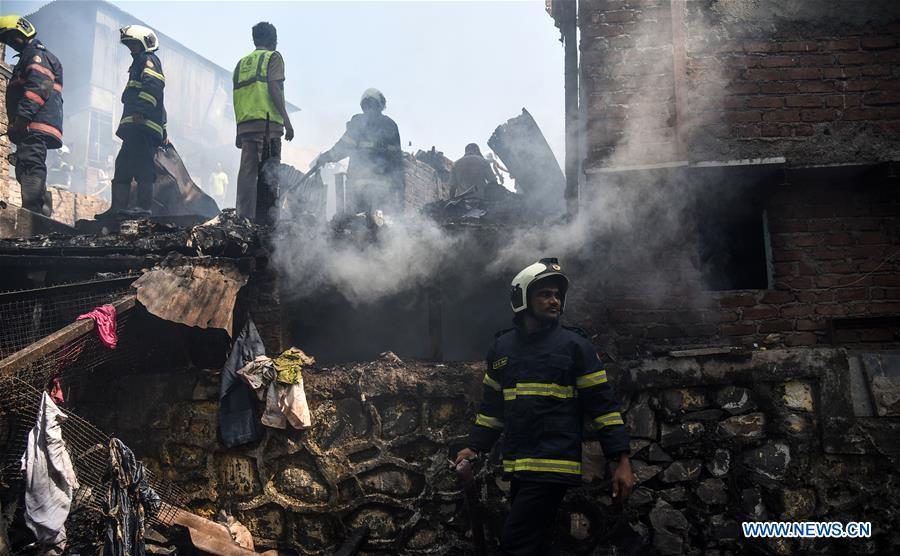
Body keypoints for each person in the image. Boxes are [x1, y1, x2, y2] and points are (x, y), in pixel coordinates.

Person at [455, 258, 634, 555]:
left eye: (557, 295)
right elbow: (492, 408)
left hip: (552, 466)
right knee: (534, 545)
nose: (555, 301)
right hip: (519, 467)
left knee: (516, 545)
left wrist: (622, 461)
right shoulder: (502, 349)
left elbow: (603, 406)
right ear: (522, 297)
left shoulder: (576, 346)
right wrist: (475, 446)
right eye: (545, 294)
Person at [96, 25, 167, 219]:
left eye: (134, 44)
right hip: (135, 126)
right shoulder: (138, 63)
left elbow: (153, 87)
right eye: (129, 45)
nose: (131, 49)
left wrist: (140, 111)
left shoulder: (148, 60)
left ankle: (143, 207)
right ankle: (117, 209)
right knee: (123, 165)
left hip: (142, 125)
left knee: (143, 164)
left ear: (146, 43)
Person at [0, 15, 63, 217]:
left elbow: (39, 86)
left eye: (11, 38)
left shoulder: (36, 54)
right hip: (30, 123)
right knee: (25, 165)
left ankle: (33, 214)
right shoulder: (28, 56)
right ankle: (40, 209)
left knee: (30, 163)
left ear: (21, 33)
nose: (10, 43)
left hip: (35, 122)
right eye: (6, 40)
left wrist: (22, 119)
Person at [232, 22, 294, 221]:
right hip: (268, 126)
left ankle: (244, 219)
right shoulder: (273, 57)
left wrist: (237, 130)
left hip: (246, 127)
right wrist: (286, 120)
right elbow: (274, 88)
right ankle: (266, 220)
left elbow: (238, 97)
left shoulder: (241, 63)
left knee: (248, 174)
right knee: (270, 172)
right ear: (273, 40)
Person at [317, 88, 403, 216]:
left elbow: (342, 148)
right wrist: (398, 190)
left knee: (359, 224)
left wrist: (325, 157)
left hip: (361, 187)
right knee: (379, 225)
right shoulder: (390, 125)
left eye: (372, 106)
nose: (370, 110)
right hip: (382, 189)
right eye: (368, 106)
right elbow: (398, 163)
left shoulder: (359, 122)